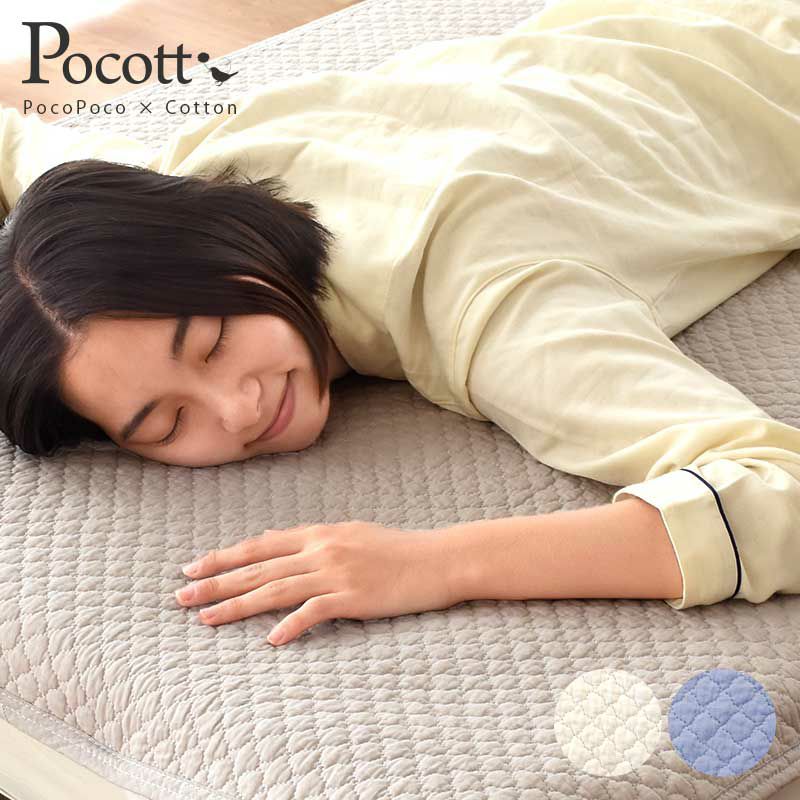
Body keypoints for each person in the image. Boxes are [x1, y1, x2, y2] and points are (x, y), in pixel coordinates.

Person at [1, 0, 799, 632]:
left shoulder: (487, 299)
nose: (235, 411)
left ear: (227, 248)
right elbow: (19, 145)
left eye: (211, 344)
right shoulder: (168, 193)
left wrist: (434, 563)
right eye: (166, 423)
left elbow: (778, 497)